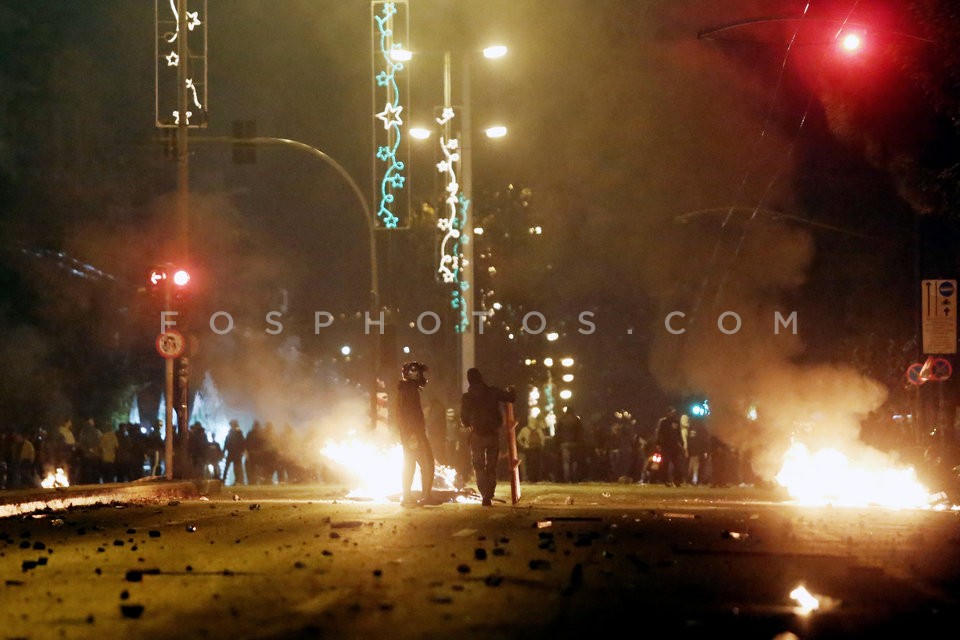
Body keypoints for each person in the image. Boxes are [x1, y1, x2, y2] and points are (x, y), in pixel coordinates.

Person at [459, 367, 516, 506]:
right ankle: (489, 494)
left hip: (477, 436)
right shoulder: (493, 392)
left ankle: (484, 493)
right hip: (492, 435)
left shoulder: (467, 397)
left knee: (478, 466)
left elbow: (464, 419)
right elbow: (511, 398)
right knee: (491, 466)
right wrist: (512, 389)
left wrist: (469, 423)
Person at [395, 361, 436, 506]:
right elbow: (408, 413)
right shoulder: (409, 390)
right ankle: (426, 496)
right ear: (413, 373)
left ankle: (407, 497)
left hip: (409, 433)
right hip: (414, 433)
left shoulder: (405, 389)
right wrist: (413, 434)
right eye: (419, 373)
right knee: (427, 463)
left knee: (410, 463)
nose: (421, 376)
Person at [655, 407, 685, 486]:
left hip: (675, 446)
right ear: (668, 413)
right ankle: (666, 480)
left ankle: (677, 480)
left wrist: (681, 443)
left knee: (677, 464)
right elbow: (659, 433)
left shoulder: (676, 422)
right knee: (665, 464)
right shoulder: (663, 422)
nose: (673, 414)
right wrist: (658, 443)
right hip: (665, 445)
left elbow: (678, 433)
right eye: (671, 412)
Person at [223, 419, 247, 486]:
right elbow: (227, 442)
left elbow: (242, 443)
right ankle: (234, 480)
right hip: (234, 453)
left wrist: (242, 451)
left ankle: (237, 481)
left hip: (235, 453)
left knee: (235, 468)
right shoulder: (236, 432)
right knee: (233, 467)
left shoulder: (238, 433)